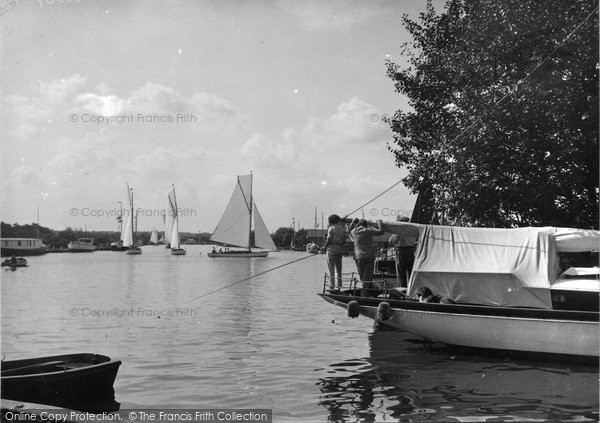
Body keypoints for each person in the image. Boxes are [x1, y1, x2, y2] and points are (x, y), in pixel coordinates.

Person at [349, 218, 384, 297]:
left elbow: (349, 229)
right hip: (369, 256)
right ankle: (364, 295)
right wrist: (379, 223)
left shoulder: (354, 231)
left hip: (358, 257)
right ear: (366, 225)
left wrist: (352, 222)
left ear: (358, 225)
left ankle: (371, 291)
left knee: (363, 277)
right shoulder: (368, 230)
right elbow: (381, 231)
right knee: (367, 277)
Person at [387, 217, 417, 288]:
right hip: (411, 251)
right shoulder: (412, 230)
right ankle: (411, 289)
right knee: (411, 272)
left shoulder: (399, 231)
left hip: (401, 251)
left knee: (401, 273)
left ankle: (403, 290)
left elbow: (391, 240)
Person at [321, 214, 345, 291]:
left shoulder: (331, 228)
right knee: (339, 269)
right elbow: (344, 241)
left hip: (331, 249)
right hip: (339, 249)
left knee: (331, 269)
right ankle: (339, 286)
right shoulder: (342, 229)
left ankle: (332, 286)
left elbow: (328, 239)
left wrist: (324, 247)